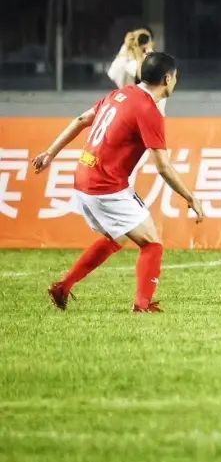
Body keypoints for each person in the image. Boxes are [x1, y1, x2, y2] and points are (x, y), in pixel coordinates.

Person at [33, 53, 204, 313]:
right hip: (106, 186)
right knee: (152, 243)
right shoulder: (148, 110)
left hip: (84, 178)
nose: (176, 82)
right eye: (175, 77)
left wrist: (50, 153)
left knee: (118, 237)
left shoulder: (119, 94)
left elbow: (81, 120)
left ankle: (63, 287)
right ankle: (142, 305)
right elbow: (163, 166)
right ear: (167, 79)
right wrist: (190, 197)